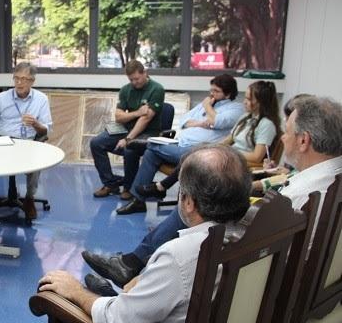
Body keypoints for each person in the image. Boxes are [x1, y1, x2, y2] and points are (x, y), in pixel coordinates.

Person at [38, 144, 252, 323]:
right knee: (100, 293)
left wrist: (75, 293)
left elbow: (119, 320)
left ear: (189, 203)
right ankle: (107, 295)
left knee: (54, 293)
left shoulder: (181, 255)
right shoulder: (253, 237)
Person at [83, 95, 342, 295]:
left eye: (287, 132)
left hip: (264, 281)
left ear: (304, 141)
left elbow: (248, 237)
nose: (283, 138)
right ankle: (135, 267)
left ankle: (133, 283)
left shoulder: (300, 195)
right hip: (308, 278)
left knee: (197, 210)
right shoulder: (330, 179)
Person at [125, 80, 280, 215]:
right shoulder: (246, 118)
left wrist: (226, 151)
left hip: (236, 163)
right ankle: (143, 197)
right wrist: (213, 147)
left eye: (248, 98)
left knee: (181, 154)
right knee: (165, 153)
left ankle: (156, 170)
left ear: (260, 101)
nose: (244, 102)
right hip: (226, 154)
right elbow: (229, 139)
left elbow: (257, 156)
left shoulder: (266, 124)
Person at [116, 74, 243, 214]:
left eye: (216, 91)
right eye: (211, 90)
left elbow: (216, 121)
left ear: (229, 93)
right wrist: (201, 123)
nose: (211, 94)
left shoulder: (235, 109)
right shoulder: (207, 104)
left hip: (199, 152)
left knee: (151, 149)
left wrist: (207, 107)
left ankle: (148, 144)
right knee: (151, 154)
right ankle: (138, 201)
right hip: (180, 143)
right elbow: (184, 120)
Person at [0, 62, 53, 220]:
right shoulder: (2, 97)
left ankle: (29, 198)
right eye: (16, 78)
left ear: (32, 81)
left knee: (36, 160)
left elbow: (46, 130)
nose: (19, 82)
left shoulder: (41, 99)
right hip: (3, 140)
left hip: (27, 141)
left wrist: (35, 124)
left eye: (24, 79)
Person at [90, 60, 164, 200]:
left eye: (137, 78)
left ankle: (128, 187)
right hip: (127, 127)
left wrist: (128, 139)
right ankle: (111, 184)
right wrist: (136, 113)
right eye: (131, 80)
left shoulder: (157, 89)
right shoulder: (126, 90)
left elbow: (145, 119)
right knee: (96, 143)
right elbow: (118, 117)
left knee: (130, 149)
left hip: (148, 132)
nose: (134, 82)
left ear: (145, 73)